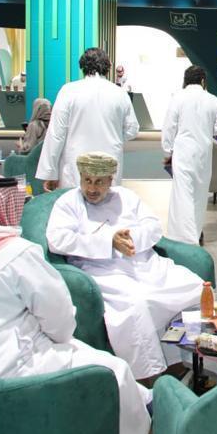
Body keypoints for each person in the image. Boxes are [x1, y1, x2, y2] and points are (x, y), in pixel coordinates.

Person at [0, 174, 151, 434]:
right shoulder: (15, 251)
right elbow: (61, 325)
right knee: (115, 372)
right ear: (5, 205)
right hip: (1, 372)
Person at [46, 152, 204, 380]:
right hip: (102, 270)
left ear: (110, 180)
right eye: (87, 180)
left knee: (194, 288)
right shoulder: (68, 203)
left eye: (99, 182)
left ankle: (189, 361)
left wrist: (131, 240)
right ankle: (150, 376)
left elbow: (153, 227)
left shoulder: (126, 197)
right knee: (136, 304)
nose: (92, 188)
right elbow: (57, 240)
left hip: (144, 263)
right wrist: (108, 241)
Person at [37, 48, 139, 191]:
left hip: (75, 165)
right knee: (108, 201)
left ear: (82, 66)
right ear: (108, 67)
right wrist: (113, 135)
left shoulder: (68, 91)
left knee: (75, 202)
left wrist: (49, 173)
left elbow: (56, 134)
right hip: (109, 163)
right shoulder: (120, 94)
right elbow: (132, 129)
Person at [161, 66, 217, 245]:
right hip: (204, 153)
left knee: (182, 194)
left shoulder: (178, 98)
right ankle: (195, 233)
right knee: (200, 194)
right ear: (203, 81)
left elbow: (169, 127)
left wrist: (167, 150)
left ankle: (184, 239)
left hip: (183, 152)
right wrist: (205, 128)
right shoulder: (212, 100)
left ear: (185, 79)